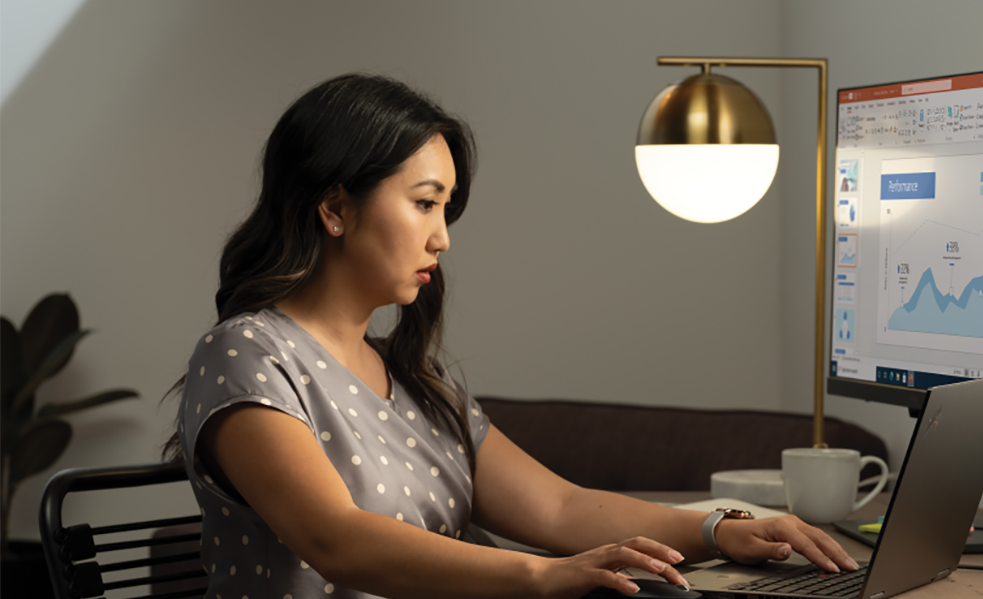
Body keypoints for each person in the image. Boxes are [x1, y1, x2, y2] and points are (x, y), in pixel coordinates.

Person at [163, 73, 855, 599]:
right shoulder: (246, 354)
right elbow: (335, 540)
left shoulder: (409, 378)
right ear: (336, 208)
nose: (443, 236)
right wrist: (545, 577)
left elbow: (559, 506)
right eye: (425, 203)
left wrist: (719, 530)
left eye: (446, 208)